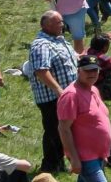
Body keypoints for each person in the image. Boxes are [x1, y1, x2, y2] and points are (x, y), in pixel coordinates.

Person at [26, 9, 81, 177]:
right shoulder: (41, 44)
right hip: (51, 97)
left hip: (65, 95)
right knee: (53, 130)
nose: (63, 25)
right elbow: (41, 71)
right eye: (59, 23)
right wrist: (59, 91)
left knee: (61, 130)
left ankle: (59, 163)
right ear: (48, 25)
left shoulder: (58, 40)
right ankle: (49, 166)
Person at [60, 54, 111, 182]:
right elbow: (63, 128)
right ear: (78, 70)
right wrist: (73, 158)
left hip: (98, 156)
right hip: (85, 158)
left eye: (95, 70)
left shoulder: (94, 89)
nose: (92, 73)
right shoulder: (71, 95)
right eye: (87, 70)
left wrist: (103, 152)